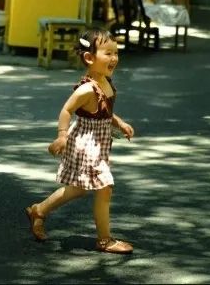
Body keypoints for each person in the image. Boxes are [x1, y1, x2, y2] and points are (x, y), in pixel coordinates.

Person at [25, 28, 135, 254]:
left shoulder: (105, 81)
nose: (114, 58)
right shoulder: (86, 89)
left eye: (116, 52)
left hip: (99, 142)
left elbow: (104, 111)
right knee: (105, 187)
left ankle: (39, 210)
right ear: (89, 58)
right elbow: (67, 110)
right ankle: (104, 240)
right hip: (85, 143)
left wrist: (120, 123)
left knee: (76, 189)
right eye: (108, 53)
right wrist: (62, 135)